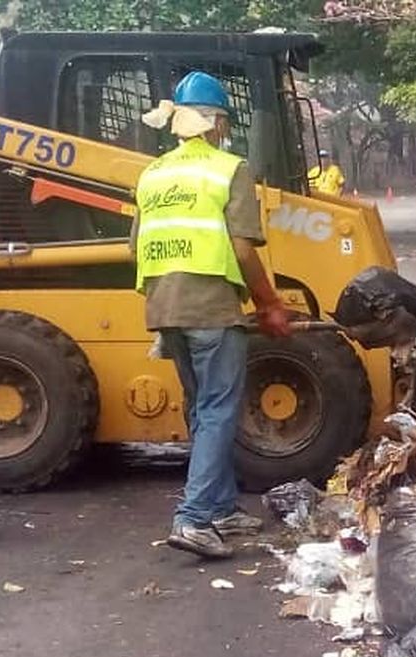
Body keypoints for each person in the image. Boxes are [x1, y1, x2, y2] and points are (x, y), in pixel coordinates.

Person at [131, 71, 293, 559]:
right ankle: (195, 517)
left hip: (163, 307)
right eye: (224, 121)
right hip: (210, 307)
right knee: (220, 408)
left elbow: (135, 245)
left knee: (202, 407)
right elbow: (243, 251)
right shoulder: (228, 169)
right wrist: (269, 304)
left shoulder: (153, 174)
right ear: (216, 122)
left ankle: (220, 508)